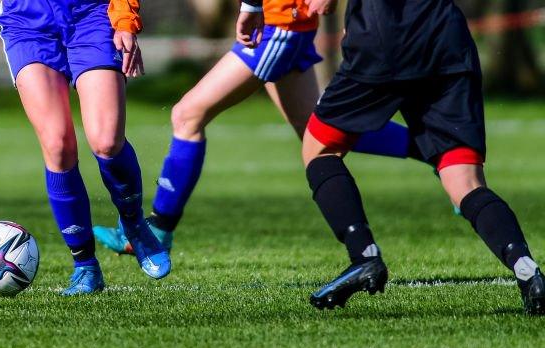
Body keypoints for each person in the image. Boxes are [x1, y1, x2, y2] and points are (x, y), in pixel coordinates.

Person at [93, 0, 422, 255]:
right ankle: (438, 149)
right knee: (319, 132)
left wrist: (251, 7)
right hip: (284, 20)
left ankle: (159, 231)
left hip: (278, 23)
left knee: (187, 115)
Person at [288, 0, 544, 314]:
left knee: (319, 147)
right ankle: (527, 268)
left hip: (385, 35)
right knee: (464, 180)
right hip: (446, 37)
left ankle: (363, 256)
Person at [0, 0, 171, 295]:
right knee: (58, 145)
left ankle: (134, 224)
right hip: (27, 20)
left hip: (92, 13)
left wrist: (125, 19)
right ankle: (85, 266)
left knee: (107, 140)